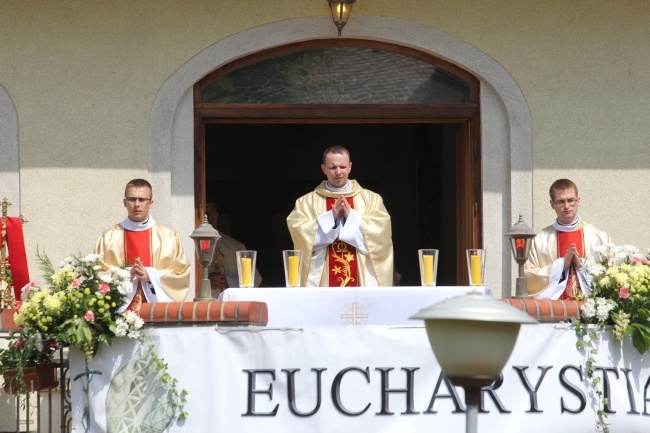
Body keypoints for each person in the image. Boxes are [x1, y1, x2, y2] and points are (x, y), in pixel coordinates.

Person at [287, 145, 394, 287]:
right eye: (332, 168)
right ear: (324, 169)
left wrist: (353, 218)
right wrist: (329, 218)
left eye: (342, 167)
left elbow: (382, 235)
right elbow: (298, 233)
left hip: (361, 279)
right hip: (322, 279)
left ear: (350, 167)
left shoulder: (371, 199)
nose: (338, 172)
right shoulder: (306, 202)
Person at [95, 179, 190, 311]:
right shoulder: (109, 237)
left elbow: (181, 274)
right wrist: (126, 274)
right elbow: (97, 274)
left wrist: (150, 275)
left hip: (157, 310)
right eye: (132, 199)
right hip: (121, 313)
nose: (137, 204)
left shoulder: (169, 237)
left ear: (151, 203)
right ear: (124, 202)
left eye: (142, 199)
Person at [525, 179, 611, 299]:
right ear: (552, 204)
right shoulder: (540, 241)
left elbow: (612, 275)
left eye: (570, 200)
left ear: (578, 201)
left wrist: (583, 265)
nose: (566, 206)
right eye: (560, 201)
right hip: (552, 312)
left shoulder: (599, 237)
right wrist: (560, 266)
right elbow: (529, 276)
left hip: (592, 312)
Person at [205, 199, 262, 296]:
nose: (209, 216)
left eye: (212, 212)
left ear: (217, 215)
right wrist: (204, 281)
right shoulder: (189, 245)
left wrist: (228, 280)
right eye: (205, 212)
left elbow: (255, 279)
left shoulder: (235, 246)